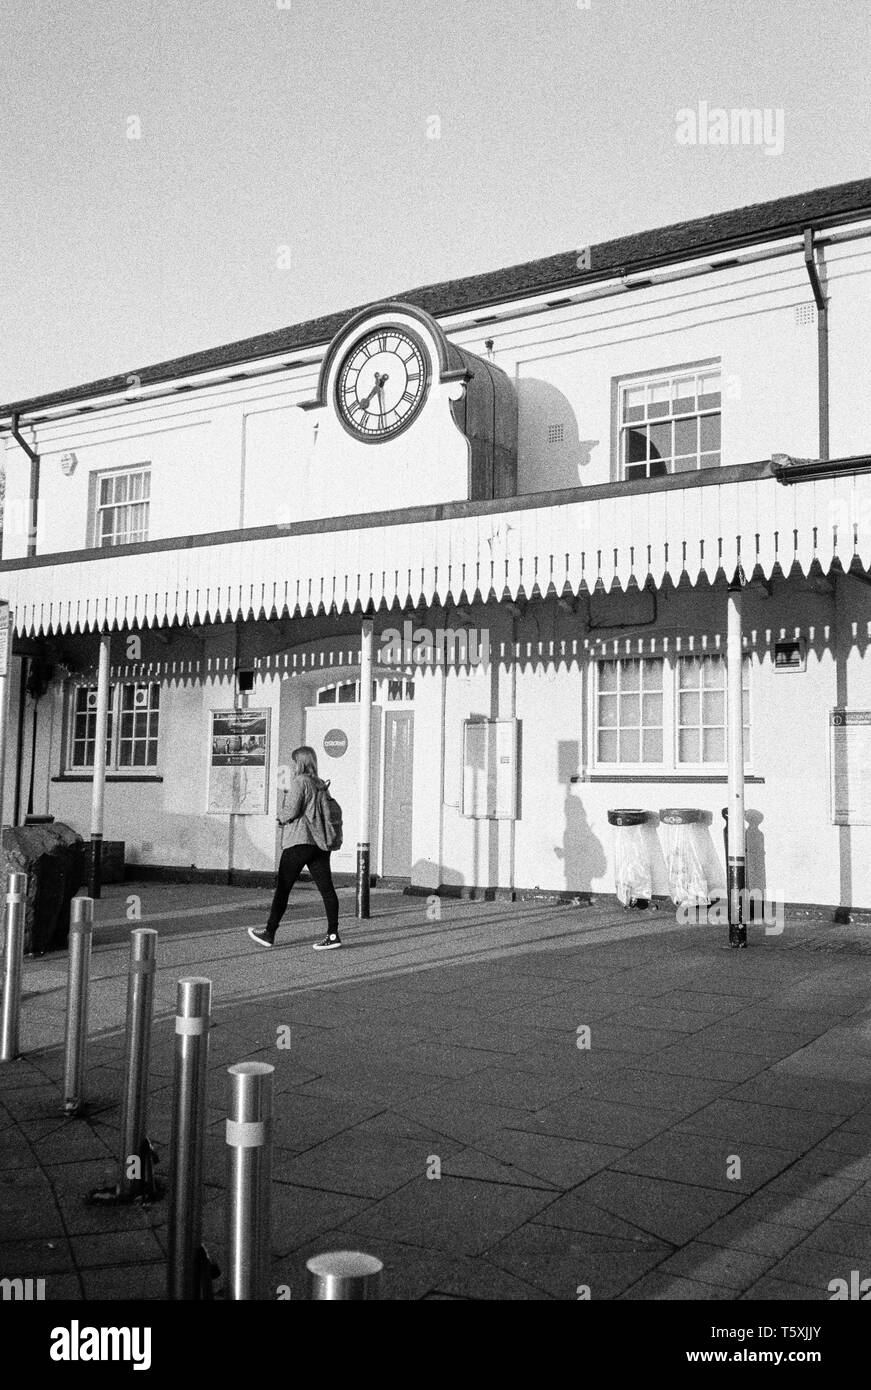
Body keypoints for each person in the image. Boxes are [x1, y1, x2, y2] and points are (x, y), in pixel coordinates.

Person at [248, 745, 341, 951]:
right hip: (319, 844)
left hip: (299, 842)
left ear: (300, 763)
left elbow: (290, 812)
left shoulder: (300, 782)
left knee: (283, 889)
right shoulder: (319, 783)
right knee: (327, 890)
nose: (291, 765)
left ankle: (269, 933)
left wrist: (280, 815)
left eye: (293, 762)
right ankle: (333, 934)